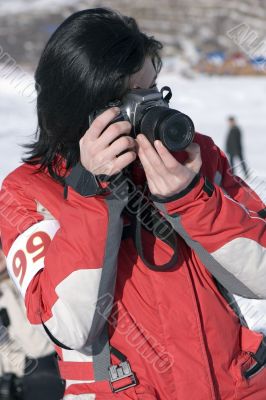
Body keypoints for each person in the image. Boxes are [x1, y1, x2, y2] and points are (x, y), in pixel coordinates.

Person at [0, 8, 266, 400]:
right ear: (81, 110)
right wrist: (92, 198)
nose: (150, 110)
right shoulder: (27, 193)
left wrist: (193, 200)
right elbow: (69, 326)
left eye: (153, 90)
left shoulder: (196, 157)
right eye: (129, 101)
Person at [0, 243, 65, 399]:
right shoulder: (5, 293)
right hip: (24, 376)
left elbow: (37, 345)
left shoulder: (27, 277)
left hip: (51, 361)